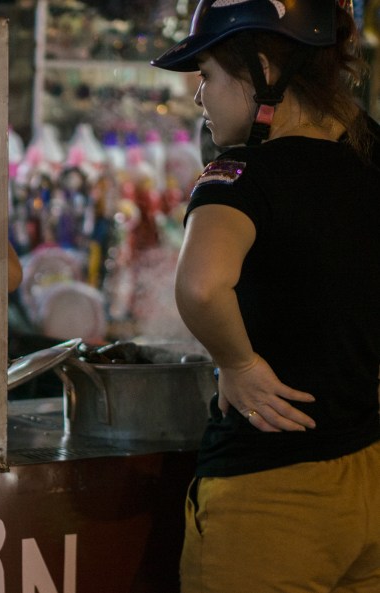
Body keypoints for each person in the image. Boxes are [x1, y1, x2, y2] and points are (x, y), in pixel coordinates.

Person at [151, 1, 380, 591]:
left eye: (206, 75)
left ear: (258, 70)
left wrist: (238, 363)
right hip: (370, 474)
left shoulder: (242, 173)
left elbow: (201, 285)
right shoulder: (371, 151)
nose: (199, 96)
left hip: (271, 495)